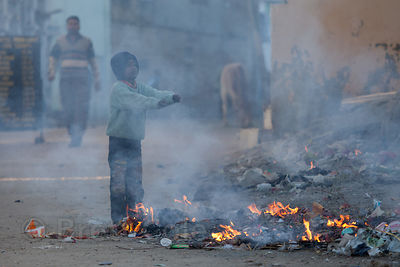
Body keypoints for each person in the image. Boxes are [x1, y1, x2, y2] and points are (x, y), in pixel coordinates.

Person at [107, 51, 180, 224]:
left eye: (134, 65)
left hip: (134, 142)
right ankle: (118, 220)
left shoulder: (138, 86)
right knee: (118, 183)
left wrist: (170, 97)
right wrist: (156, 104)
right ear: (119, 69)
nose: (133, 68)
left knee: (134, 181)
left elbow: (155, 93)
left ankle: (135, 217)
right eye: (128, 65)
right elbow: (136, 101)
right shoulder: (119, 88)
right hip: (118, 142)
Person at [48, 15, 100, 147]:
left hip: (83, 79)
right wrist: (52, 72)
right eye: (70, 24)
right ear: (66, 26)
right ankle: (72, 133)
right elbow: (53, 59)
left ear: (79, 26)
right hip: (65, 78)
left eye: (75, 24)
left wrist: (97, 78)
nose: (72, 26)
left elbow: (93, 62)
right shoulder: (59, 41)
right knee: (67, 107)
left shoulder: (87, 42)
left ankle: (78, 135)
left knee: (81, 108)